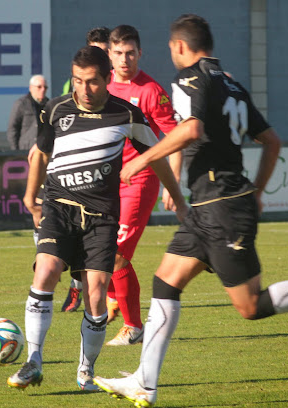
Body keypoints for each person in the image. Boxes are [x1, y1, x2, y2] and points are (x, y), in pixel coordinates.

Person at [94, 14, 288, 407]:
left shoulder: (188, 80)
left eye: (170, 47)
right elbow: (271, 141)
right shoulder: (231, 84)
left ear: (180, 47)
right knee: (165, 281)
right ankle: (144, 382)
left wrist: (140, 162)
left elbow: (191, 129)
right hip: (210, 205)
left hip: (221, 207)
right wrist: (259, 191)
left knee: (251, 306)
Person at [7, 46, 188, 392]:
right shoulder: (56, 108)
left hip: (102, 216)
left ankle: (85, 371)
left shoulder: (128, 114)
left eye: (92, 82)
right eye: (78, 81)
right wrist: (32, 198)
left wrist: (178, 199)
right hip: (59, 205)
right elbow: (42, 153)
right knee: (45, 271)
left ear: (107, 79)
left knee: (97, 291)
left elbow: (157, 157)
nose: (84, 90)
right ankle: (34, 360)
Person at [103, 25, 180, 346]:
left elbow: (175, 135)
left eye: (130, 53)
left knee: (118, 254)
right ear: (109, 54)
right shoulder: (100, 85)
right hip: (105, 182)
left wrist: (170, 183)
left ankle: (133, 326)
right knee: (98, 249)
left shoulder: (150, 90)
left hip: (140, 181)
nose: (125, 60)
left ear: (140, 53)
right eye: (118, 53)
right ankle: (112, 296)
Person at [59, 26, 111, 313]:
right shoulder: (75, 88)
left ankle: (102, 297)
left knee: (113, 253)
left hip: (110, 179)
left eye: (104, 52)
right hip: (76, 174)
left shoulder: (116, 94)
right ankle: (79, 287)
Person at [61, 27, 110, 95]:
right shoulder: (75, 80)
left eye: (105, 52)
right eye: (95, 52)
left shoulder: (124, 77)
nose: (100, 57)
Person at [7, 75, 49, 150]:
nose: (43, 90)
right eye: (39, 87)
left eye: (45, 87)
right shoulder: (21, 104)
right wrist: (15, 151)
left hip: (44, 150)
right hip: (26, 150)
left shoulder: (49, 105)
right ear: (31, 88)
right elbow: (13, 129)